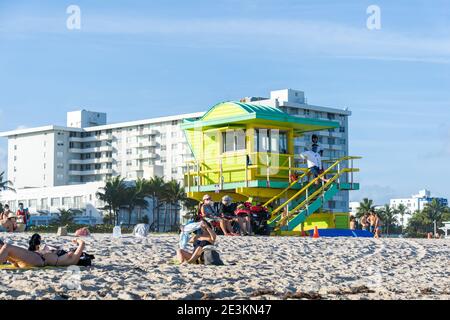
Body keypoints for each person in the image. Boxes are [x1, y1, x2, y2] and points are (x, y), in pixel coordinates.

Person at [0, 234, 88, 268]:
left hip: (38, 258)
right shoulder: (66, 257)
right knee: (6, 249)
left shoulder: (72, 259)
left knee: (7, 247)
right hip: (30, 258)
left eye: (73, 251)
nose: (71, 251)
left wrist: (77, 241)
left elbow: (82, 243)